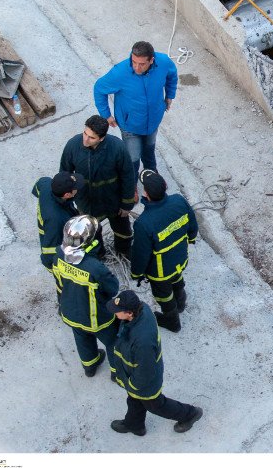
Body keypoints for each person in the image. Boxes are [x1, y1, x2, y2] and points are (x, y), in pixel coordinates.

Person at [106, 290, 203, 436]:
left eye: (118, 311)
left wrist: (132, 385)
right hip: (133, 377)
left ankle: (190, 414)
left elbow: (146, 372)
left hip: (143, 382)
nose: (115, 314)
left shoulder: (142, 341)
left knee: (156, 405)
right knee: (134, 400)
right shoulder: (140, 310)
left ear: (129, 313)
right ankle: (135, 425)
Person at [94, 41, 178, 176]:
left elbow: (172, 75)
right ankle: (131, 184)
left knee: (149, 149)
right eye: (134, 62)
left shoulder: (164, 62)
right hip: (129, 125)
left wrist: (170, 95)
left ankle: (151, 175)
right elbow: (99, 88)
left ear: (152, 60)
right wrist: (106, 114)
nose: (136, 68)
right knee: (132, 158)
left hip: (153, 121)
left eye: (141, 64)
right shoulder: (120, 73)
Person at [130, 169, 198, 333]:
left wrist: (136, 273)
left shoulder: (144, 223)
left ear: (146, 193)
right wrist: (190, 238)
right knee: (177, 277)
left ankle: (172, 321)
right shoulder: (179, 201)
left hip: (160, 270)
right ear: (165, 186)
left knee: (163, 295)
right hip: (180, 258)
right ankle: (181, 303)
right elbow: (192, 224)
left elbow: (141, 254)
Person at [60, 115, 136, 259]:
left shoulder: (117, 147)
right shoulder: (73, 146)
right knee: (92, 235)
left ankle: (124, 250)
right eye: (85, 133)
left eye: (91, 137)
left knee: (123, 231)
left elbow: (128, 176)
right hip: (86, 203)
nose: (85, 139)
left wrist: (127, 204)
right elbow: (65, 174)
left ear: (102, 138)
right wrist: (67, 200)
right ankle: (98, 255)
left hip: (113, 201)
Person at [53, 215, 119, 379]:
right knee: (113, 342)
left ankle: (90, 367)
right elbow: (112, 289)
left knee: (82, 339)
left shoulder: (58, 256)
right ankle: (117, 374)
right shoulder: (95, 268)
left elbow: (59, 284)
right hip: (97, 319)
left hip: (70, 312)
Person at [32, 171, 84, 303]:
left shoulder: (47, 185)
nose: (77, 190)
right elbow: (49, 250)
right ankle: (65, 305)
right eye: (75, 189)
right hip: (54, 242)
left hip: (52, 225)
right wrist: (54, 268)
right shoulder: (56, 219)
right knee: (64, 284)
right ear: (67, 195)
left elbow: (38, 185)